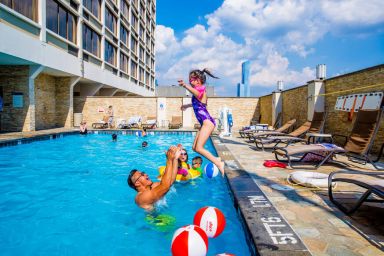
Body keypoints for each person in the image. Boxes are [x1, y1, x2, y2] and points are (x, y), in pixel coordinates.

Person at [178, 69, 225, 176]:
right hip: (204, 123)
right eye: (189, 79)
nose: (190, 80)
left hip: (208, 122)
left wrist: (185, 85)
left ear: (198, 80)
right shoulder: (197, 93)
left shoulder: (201, 90)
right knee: (194, 148)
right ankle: (217, 159)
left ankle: (218, 162)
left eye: (192, 79)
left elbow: (197, 94)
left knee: (199, 147)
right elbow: (199, 104)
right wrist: (187, 106)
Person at [127, 145, 182, 210]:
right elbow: (165, 187)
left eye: (144, 173)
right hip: (154, 219)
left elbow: (170, 181)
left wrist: (175, 159)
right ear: (137, 183)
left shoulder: (152, 187)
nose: (146, 174)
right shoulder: (141, 198)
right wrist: (169, 160)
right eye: (142, 174)